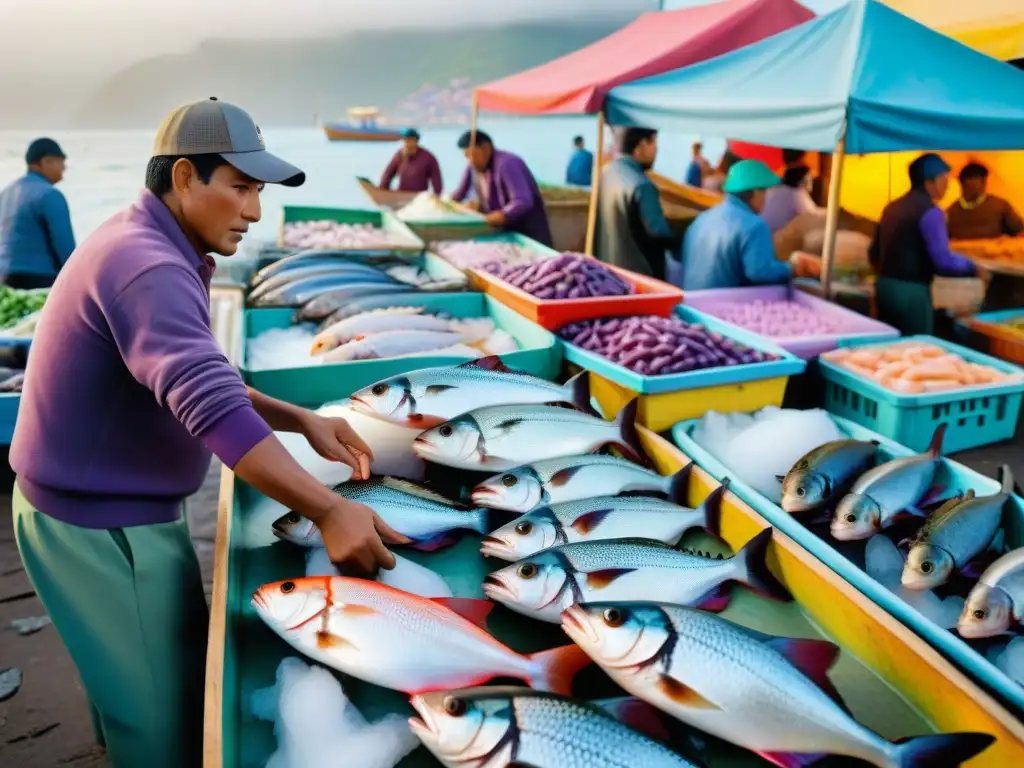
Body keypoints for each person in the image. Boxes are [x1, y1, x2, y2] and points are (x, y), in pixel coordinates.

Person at [10, 98, 407, 768]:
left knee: (129, 685)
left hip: (89, 509)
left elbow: (193, 372)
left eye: (259, 191)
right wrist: (331, 507)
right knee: (165, 720)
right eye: (242, 188)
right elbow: (207, 404)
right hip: (102, 528)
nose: (254, 211)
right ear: (187, 176)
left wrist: (299, 417)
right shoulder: (150, 265)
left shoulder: (148, 241)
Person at [869, 153, 977, 336]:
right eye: (944, 179)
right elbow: (943, 262)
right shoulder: (932, 213)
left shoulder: (892, 207)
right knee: (916, 345)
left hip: (884, 287)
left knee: (889, 344)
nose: (948, 184)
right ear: (930, 182)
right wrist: (972, 267)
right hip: (912, 294)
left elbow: (873, 252)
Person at [682, 159, 814, 290]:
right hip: (723, 305)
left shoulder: (701, 219)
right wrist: (792, 268)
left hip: (690, 302)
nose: (767, 198)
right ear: (755, 192)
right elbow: (759, 272)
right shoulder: (754, 226)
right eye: (766, 191)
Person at [594, 127, 678, 281]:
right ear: (641, 145)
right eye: (654, 143)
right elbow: (658, 232)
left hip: (607, 272)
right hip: (639, 278)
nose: (656, 150)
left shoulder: (606, 173)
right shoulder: (642, 185)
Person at [450, 129, 552, 246]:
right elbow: (459, 194)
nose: (469, 160)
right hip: (503, 234)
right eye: (466, 156)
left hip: (528, 234)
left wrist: (504, 215)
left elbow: (523, 200)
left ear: (486, 148)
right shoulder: (473, 167)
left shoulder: (507, 164)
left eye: (471, 154)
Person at [0, 137, 76, 288]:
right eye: (61, 161)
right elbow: (65, 247)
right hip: (38, 280)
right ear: (46, 161)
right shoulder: (49, 195)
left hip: (4, 279)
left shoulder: (6, 193)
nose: (64, 168)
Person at [946, 162, 1023, 241]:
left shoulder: (1000, 206)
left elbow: (1020, 231)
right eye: (971, 180)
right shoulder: (951, 213)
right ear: (962, 184)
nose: (975, 185)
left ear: (984, 182)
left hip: (995, 252)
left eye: (979, 180)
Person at [760, 165, 825, 233]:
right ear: (802, 180)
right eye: (809, 178)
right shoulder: (796, 193)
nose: (811, 180)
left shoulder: (774, 189)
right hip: (775, 237)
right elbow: (814, 215)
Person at [378, 128, 442, 195]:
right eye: (406, 141)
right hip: (401, 195)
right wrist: (383, 190)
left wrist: (436, 195)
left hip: (420, 197)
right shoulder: (399, 156)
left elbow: (437, 182)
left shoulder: (428, 158)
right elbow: (387, 175)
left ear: (417, 141)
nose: (408, 144)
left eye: (411, 141)